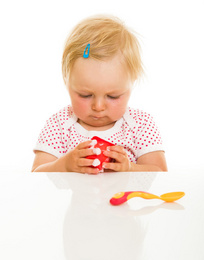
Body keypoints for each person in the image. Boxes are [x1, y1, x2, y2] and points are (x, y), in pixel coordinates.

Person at [32, 15, 167, 173]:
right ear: (67, 81)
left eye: (113, 96)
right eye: (85, 95)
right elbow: (37, 174)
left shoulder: (140, 125)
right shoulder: (59, 125)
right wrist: (63, 165)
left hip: (125, 198)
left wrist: (130, 168)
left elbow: (159, 173)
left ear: (132, 83)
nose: (98, 106)